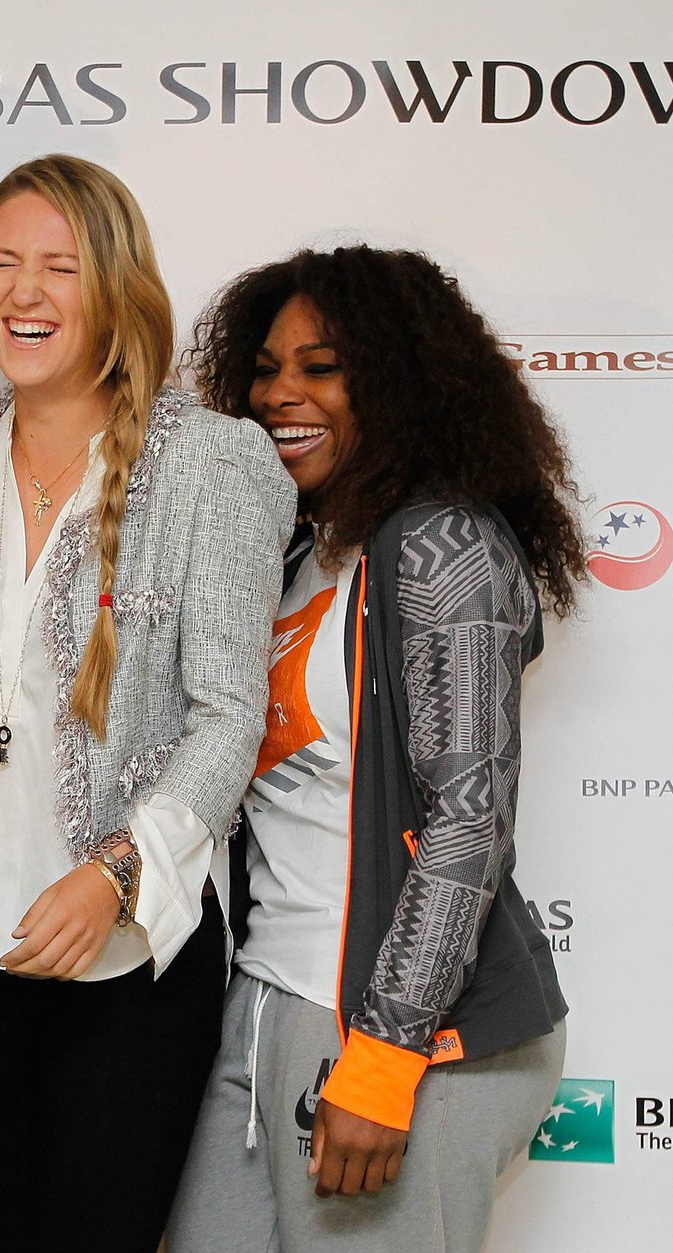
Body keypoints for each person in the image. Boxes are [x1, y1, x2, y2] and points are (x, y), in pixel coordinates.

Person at [0, 155, 295, 1252]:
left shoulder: (214, 461)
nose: (23, 291)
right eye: (1, 262)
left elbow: (228, 716)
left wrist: (116, 870)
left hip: (124, 959)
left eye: (58, 265)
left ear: (116, 287)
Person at [167, 245, 585, 1253]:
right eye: (266, 368)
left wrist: (385, 1054)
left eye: (322, 367)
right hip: (266, 1000)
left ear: (399, 380)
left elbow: (468, 817)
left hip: (405, 1030)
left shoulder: (444, 547)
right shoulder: (299, 551)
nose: (280, 394)